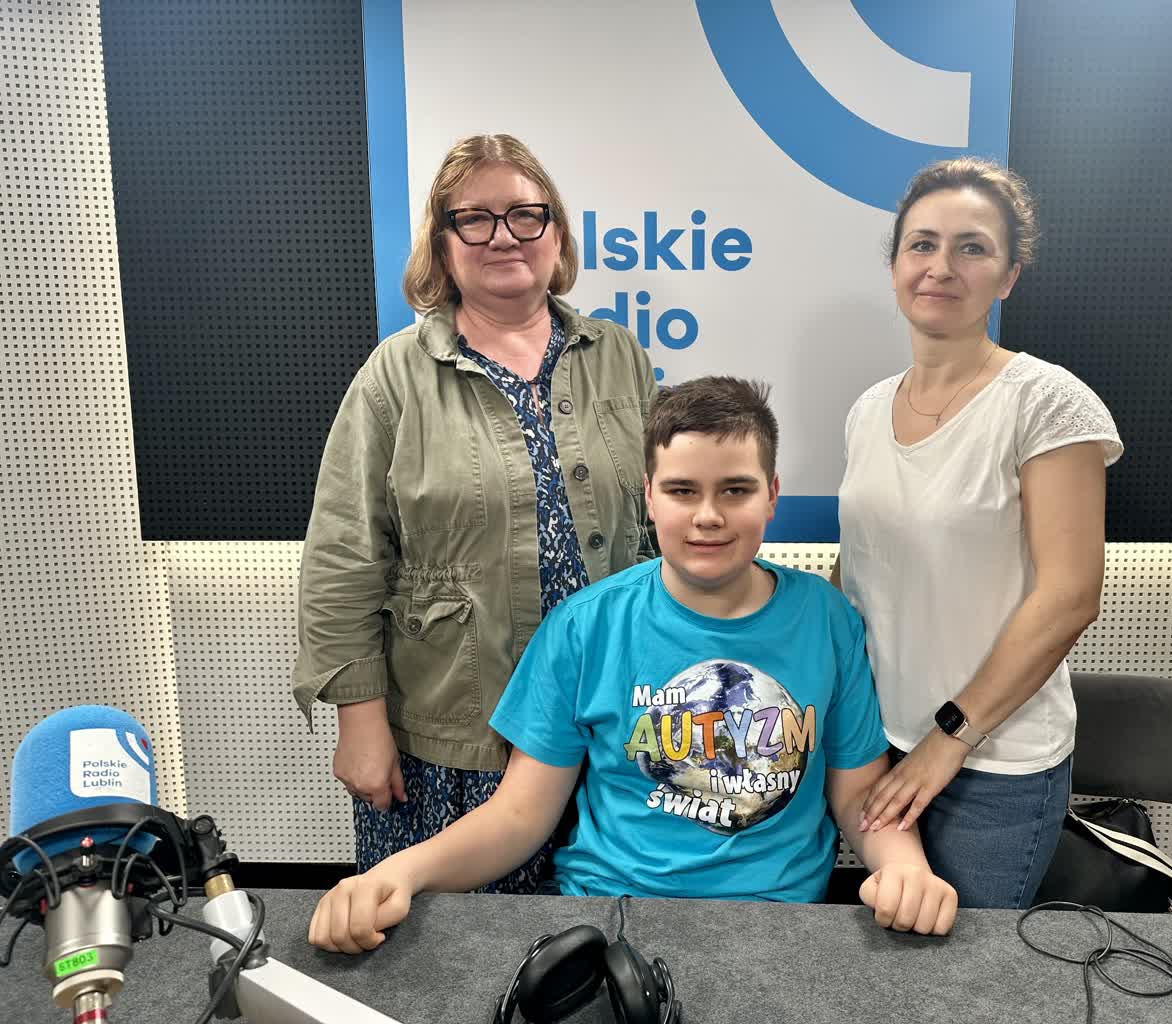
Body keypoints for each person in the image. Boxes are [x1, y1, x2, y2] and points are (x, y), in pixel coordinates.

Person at [307, 377, 958, 954]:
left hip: (775, 924)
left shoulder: (827, 619)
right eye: (682, 490)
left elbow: (857, 794)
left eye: (735, 490)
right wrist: (401, 872)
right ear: (648, 496)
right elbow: (520, 815)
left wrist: (904, 868)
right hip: (608, 916)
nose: (708, 516)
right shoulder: (585, 627)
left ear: (772, 495)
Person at [292, 134, 657, 889]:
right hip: (456, 742)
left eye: (525, 215)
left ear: (556, 233)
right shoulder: (395, 376)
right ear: (442, 242)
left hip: (608, 724)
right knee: (449, 948)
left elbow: (657, 530)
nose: (503, 237)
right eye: (474, 219)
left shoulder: (619, 356)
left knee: (601, 935)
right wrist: (359, 721)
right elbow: (343, 557)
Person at [834, 157, 1123, 909]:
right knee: (890, 942)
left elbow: (1069, 597)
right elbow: (860, 567)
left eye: (972, 248)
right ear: (895, 266)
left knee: (971, 966)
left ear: (1008, 277)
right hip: (879, 741)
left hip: (992, 765)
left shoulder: (1047, 402)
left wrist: (948, 740)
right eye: (922, 244)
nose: (940, 267)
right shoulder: (867, 409)